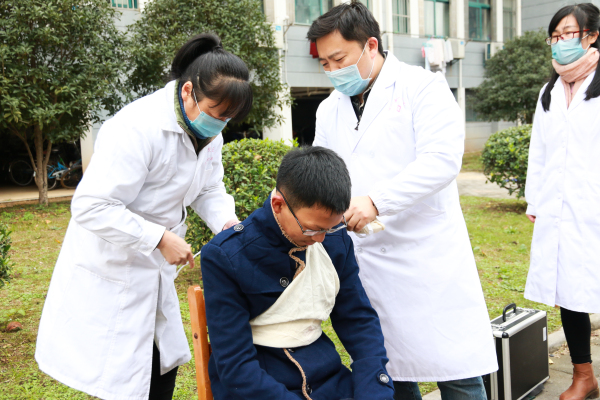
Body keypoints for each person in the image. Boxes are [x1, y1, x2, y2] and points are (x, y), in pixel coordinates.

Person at [35, 33, 253, 400]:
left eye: (229, 118)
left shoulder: (208, 131)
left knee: (159, 370)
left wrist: (228, 224)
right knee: (123, 380)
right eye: (218, 114)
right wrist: (159, 238)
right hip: (115, 266)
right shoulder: (136, 127)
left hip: (154, 274)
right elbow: (91, 205)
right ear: (188, 92)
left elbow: (208, 188)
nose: (221, 125)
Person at [307, 2, 498, 399]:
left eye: (338, 59)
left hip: (426, 257)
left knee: (456, 371)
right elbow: (325, 171)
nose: (332, 70)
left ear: (370, 45)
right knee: (390, 372)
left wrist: (377, 200)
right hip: (369, 261)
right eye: (324, 63)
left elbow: (441, 159)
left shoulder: (421, 87)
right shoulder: (329, 109)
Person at [201, 146, 395, 400]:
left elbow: (357, 319)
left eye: (330, 227)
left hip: (326, 377)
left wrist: (375, 390)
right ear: (278, 204)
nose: (321, 239)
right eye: (312, 229)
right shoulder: (227, 255)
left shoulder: (335, 240)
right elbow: (236, 367)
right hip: (259, 385)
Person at [525, 4, 600, 400]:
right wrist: (536, 202)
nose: (560, 43)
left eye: (567, 34)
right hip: (561, 210)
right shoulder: (549, 92)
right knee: (569, 293)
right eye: (554, 36)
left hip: (594, 206)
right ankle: (584, 376)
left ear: (592, 36)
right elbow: (539, 152)